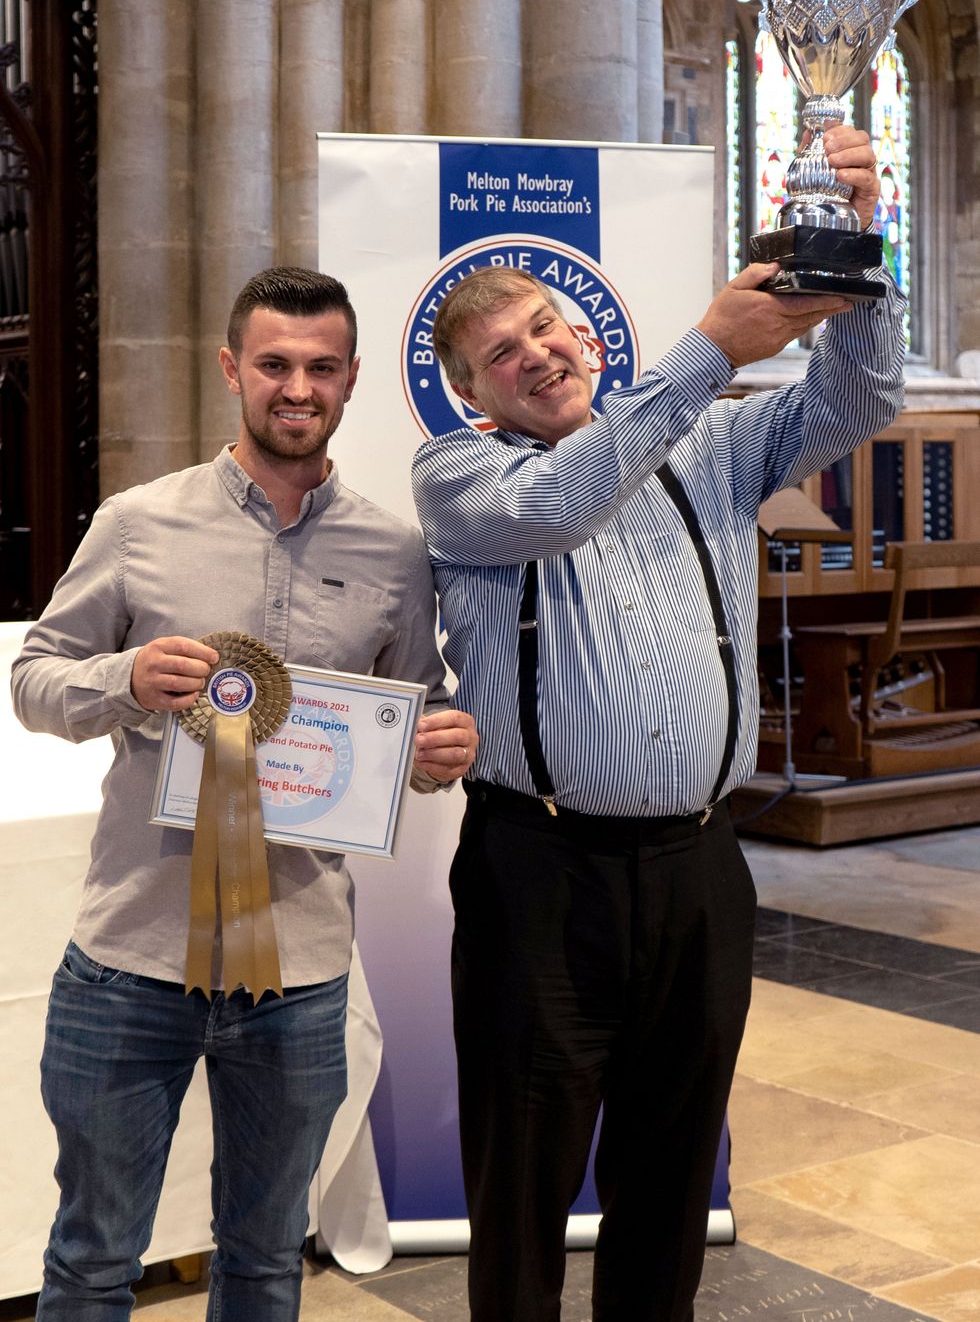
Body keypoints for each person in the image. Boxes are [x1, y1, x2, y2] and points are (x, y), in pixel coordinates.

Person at [410, 125, 905, 1322]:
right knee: (524, 1180)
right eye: (498, 354)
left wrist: (856, 252)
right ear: (469, 390)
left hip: (695, 865)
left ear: (578, 329)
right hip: (539, 871)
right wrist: (706, 348)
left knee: (670, 1170)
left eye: (542, 328)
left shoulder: (715, 443)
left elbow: (862, 394)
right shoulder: (460, 479)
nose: (532, 356)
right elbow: (569, 498)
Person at [12, 266, 477, 1322]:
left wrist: (437, 742)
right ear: (233, 370)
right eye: (274, 364)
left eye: (320, 366)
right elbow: (35, 677)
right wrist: (120, 681)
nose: (296, 386)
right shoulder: (137, 523)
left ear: (351, 378)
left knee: (267, 1262)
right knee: (90, 1258)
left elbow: (412, 708)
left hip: (301, 973)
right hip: (133, 958)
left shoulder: (397, 553)